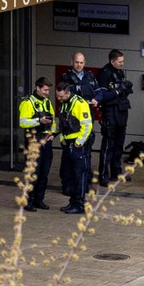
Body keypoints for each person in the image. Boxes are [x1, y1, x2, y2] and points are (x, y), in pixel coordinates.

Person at [59, 52, 99, 194]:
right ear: (72, 62)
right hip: (70, 123)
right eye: (77, 62)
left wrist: (95, 100)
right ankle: (68, 185)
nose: (79, 65)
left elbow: (97, 93)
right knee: (68, 158)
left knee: (86, 155)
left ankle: (85, 184)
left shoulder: (90, 77)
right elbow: (61, 99)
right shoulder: (66, 78)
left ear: (85, 63)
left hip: (86, 120)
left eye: (81, 62)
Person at [95, 50, 134, 185]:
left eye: (123, 61)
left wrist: (126, 89)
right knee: (108, 145)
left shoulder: (120, 72)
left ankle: (116, 172)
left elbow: (123, 91)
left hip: (121, 112)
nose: (122, 64)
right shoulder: (104, 74)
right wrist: (118, 90)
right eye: (119, 62)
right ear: (112, 61)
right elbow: (103, 96)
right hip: (110, 112)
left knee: (119, 145)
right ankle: (103, 175)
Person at [17, 78, 56, 210]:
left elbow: (53, 120)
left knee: (44, 172)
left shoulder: (47, 102)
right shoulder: (28, 102)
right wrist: (39, 121)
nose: (47, 92)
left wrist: (52, 133)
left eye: (48, 90)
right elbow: (23, 122)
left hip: (46, 140)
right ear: (37, 88)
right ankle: (28, 200)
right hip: (34, 141)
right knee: (34, 172)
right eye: (45, 90)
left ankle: (39, 199)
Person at [55, 79, 93, 215]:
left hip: (77, 145)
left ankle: (79, 204)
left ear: (68, 93)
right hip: (68, 144)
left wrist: (78, 143)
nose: (59, 99)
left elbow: (87, 125)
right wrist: (62, 138)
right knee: (70, 174)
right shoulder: (65, 103)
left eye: (61, 96)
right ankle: (73, 202)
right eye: (57, 96)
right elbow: (62, 124)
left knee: (79, 174)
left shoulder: (80, 104)